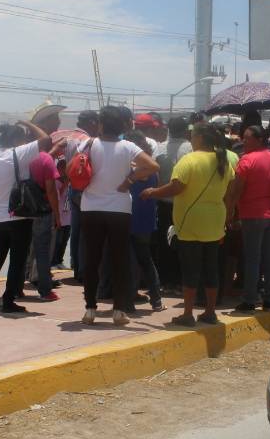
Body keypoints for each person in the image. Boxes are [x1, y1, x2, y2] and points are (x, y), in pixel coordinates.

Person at [141, 122, 234, 327]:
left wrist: (152, 193)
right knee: (211, 268)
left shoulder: (189, 160)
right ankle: (210, 312)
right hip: (215, 219)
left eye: (192, 135)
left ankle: (188, 313)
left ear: (199, 138)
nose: (190, 138)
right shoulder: (224, 160)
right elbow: (229, 192)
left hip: (191, 221)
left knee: (190, 268)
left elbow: (177, 187)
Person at [79, 106, 159, 326]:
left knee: (92, 259)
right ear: (123, 126)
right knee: (120, 260)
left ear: (101, 124)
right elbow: (153, 166)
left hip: (90, 207)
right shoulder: (128, 146)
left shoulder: (87, 144)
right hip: (119, 209)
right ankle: (119, 310)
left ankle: (90, 309)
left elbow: (73, 167)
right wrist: (130, 180)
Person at [0, 120, 52, 312]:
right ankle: (8, 300)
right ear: (17, 139)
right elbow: (46, 139)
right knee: (17, 260)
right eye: (24, 138)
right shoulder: (19, 153)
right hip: (18, 216)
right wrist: (29, 122)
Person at [225, 125, 270, 314]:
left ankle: (250, 300)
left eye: (247, 138)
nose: (244, 141)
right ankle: (269, 300)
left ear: (259, 139)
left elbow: (236, 190)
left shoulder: (246, 161)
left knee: (252, 259)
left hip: (252, 214)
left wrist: (229, 213)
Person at [125, 130, 165, 312]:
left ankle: (129, 299)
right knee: (145, 259)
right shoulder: (151, 166)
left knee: (128, 260)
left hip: (128, 216)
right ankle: (156, 299)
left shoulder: (129, 167)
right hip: (146, 218)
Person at [154, 116, 193, 292]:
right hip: (185, 204)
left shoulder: (159, 148)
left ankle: (165, 281)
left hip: (163, 202)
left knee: (164, 243)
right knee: (183, 243)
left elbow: (153, 174)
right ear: (186, 130)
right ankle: (180, 281)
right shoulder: (191, 149)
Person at [27, 138, 63, 302]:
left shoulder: (21, 157)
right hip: (42, 209)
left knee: (21, 249)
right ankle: (45, 289)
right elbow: (51, 190)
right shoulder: (45, 159)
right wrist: (57, 214)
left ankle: (15, 287)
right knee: (42, 250)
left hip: (22, 208)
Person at [67, 110, 99, 282]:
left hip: (73, 188)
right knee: (86, 232)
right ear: (92, 123)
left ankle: (77, 267)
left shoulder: (71, 137)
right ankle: (83, 270)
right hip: (85, 189)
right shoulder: (89, 141)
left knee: (76, 230)